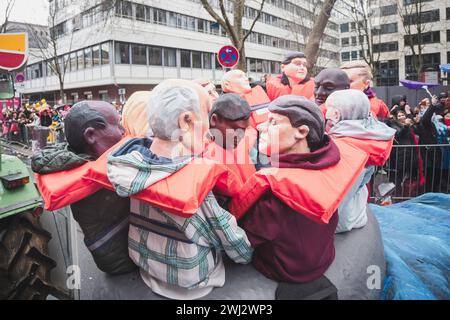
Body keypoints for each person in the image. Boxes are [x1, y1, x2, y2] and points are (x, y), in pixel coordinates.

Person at [106, 80, 252, 300]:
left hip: (148, 270)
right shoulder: (193, 178)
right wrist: (249, 255)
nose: (209, 130)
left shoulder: (131, 167)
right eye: (205, 115)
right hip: (192, 284)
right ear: (186, 120)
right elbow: (233, 242)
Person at [233, 95, 367, 290]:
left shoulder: (277, 192)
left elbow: (248, 239)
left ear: (301, 132)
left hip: (286, 270)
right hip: (323, 258)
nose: (261, 127)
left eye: (273, 122)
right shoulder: (329, 166)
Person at [31, 101, 137, 275]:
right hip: (124, 263)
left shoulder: (77, 161)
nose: (123, 131)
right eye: (117, 124)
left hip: (111, 258)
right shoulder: (107, 176)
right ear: (91, 136)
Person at [325, 89, 395, 233]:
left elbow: (340, 197)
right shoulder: (365, 137)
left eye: (328, 109)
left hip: (343, 220)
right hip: (357, 210)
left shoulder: (345, 148)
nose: (325, 113)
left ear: (336, 114)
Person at [205, 93, 255, 189]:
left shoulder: (238, 145)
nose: (241, 136)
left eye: (244, 130)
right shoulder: (202, 158)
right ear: (214, 120)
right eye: (235, 129)